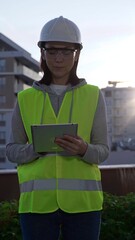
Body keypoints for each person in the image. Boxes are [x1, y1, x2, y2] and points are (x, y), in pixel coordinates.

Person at [6, 16, 109, 240]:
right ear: (42, 53)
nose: (59, 58)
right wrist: (34, 149)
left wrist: (83, 150)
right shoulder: (24, 98)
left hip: (84, 205)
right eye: (52, 51)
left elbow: (103, 150)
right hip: (36, 206)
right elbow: (11, 149)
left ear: (77, 55)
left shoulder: (93, 95)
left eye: (66, 52)